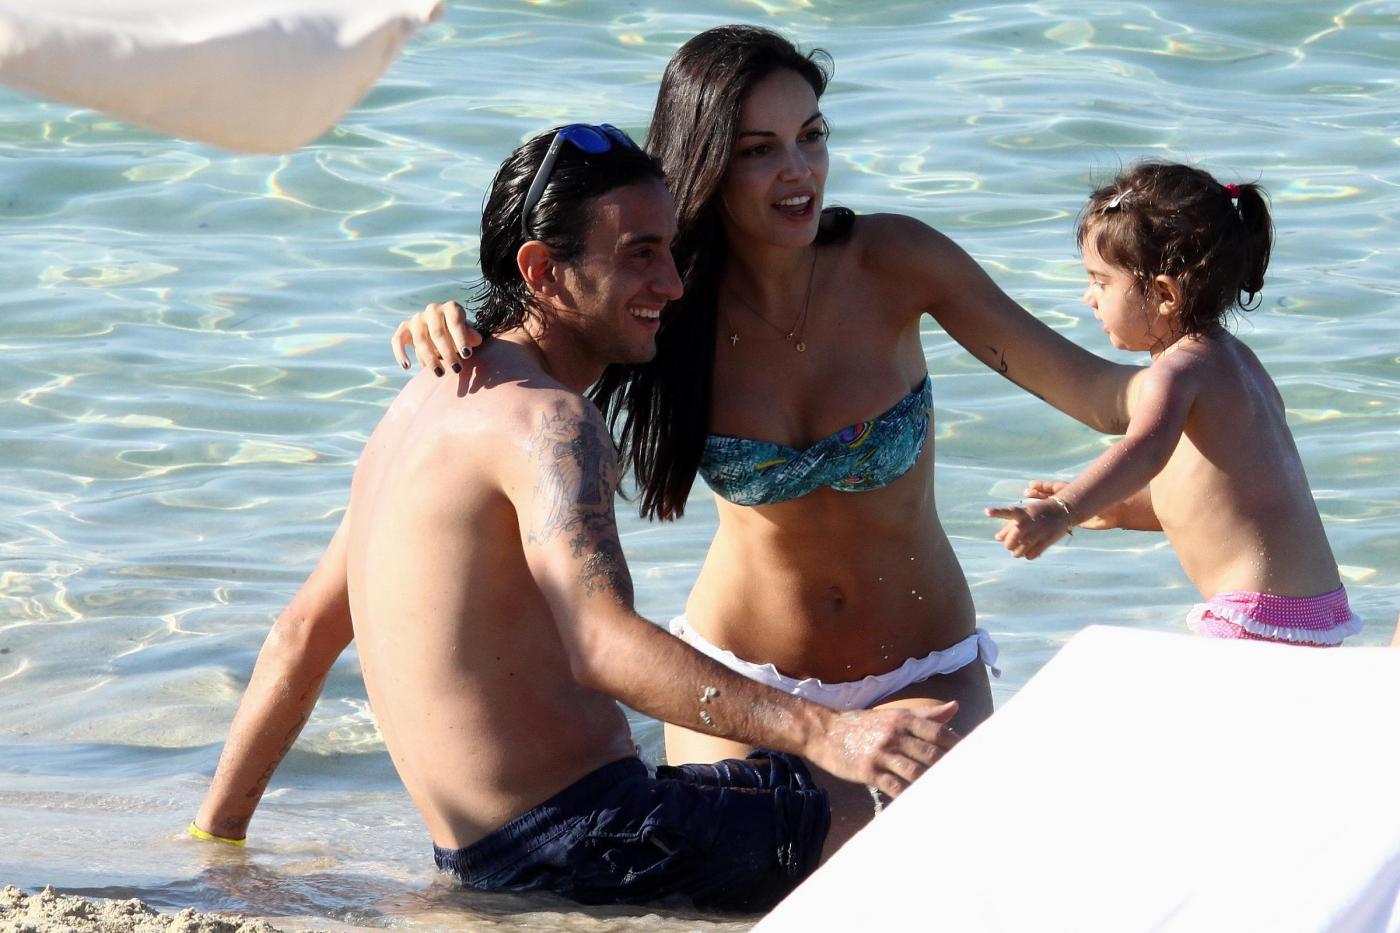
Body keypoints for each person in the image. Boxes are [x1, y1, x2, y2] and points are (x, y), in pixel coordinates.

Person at [190, 126, 961, 911]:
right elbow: (602, 645)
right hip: (592, 842)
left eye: (670, 251)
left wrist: (217, 843)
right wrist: (830, 732)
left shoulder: (423, 400)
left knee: (822, 778)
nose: (673, 283)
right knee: (941, 802)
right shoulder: (549, 423)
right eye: (639, 255)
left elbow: (303, 633)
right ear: (540, 270)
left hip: (483, 854)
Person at [391, 23, 1140, 800]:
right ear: (708, 163)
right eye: (759, 149)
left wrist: (1192, 359)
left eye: (811, 136)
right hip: (741, 683)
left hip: (923, 671)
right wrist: (459, 329)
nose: (798, 170)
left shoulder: (896, 263)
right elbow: (547, 343)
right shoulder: (665, 303)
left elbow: (1101, 396)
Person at [986, 162, 1362, 646]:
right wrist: (1117, 509)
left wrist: (1064, 508)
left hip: (1251, 612)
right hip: (1317, 607)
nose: (1088, 298)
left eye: (1101, 282)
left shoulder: (1175, 373)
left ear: (1165, 293)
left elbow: (1145, 450)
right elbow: (1213, 503)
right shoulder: (1238, 364)